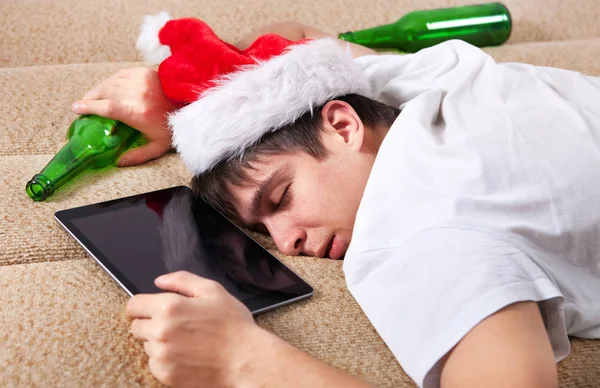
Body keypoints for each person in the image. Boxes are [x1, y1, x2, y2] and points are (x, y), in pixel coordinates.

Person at [70, 14, 600, 388]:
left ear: (342, 125)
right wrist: (184, 92)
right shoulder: (416, 84)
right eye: (265, 232)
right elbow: (295, 34)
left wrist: (243, 361)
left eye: (280, 197)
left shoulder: (426, 227)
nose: (287, 241)